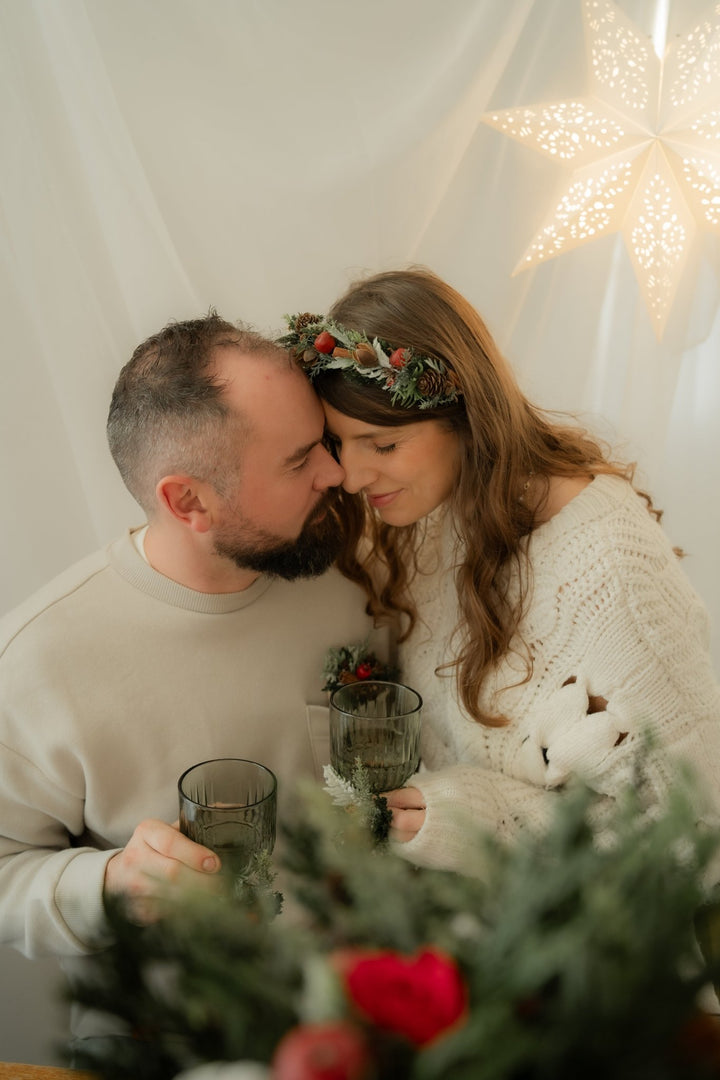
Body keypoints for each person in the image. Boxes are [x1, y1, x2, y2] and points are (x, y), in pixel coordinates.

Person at [0, 312, 385, 1042]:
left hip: (365, 1029)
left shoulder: (351, 586)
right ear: (189, 501)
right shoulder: (36, 660)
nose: (338, 474)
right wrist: (111, 885)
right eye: (301, 459)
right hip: (168, 1047)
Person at [278, 268, 720, 873]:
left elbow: (694, 831)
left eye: (382, 446)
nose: (352, 478)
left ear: (467, 419)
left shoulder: (610, 571)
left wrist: (475, 817)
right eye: (339, 444)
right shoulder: (427, 512)